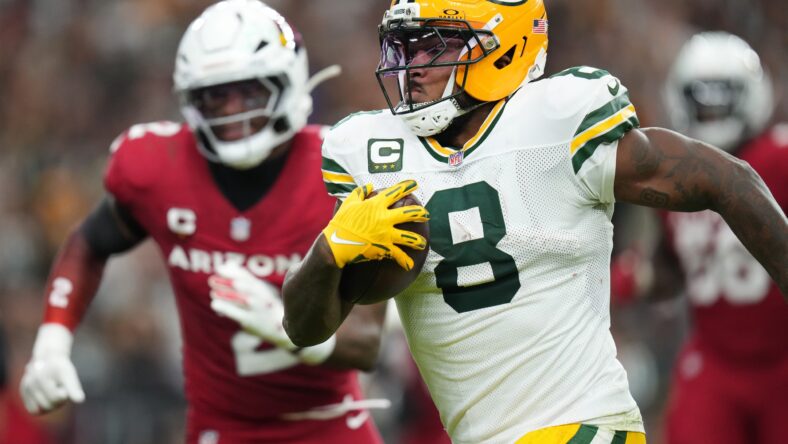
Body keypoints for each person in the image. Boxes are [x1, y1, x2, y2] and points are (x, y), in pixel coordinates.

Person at [280, 1, 788, 443]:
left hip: (583, 424)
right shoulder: (377, 155)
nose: (410, 67)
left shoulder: (556, 122)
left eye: (432, 47)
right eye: (403, 48)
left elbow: (729, 180)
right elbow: (304, 329)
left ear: (502, 49)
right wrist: (327, 252)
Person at [18, 1, 389, 443]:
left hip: (330, 425)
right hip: (219, 427)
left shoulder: (343, 172)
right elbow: (90, 242)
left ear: (287, 82)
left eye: (249, 92)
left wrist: (285, 326)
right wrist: (53, 340)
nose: (232, 112)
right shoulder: (159, 168)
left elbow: (366, 344)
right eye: (216, 96)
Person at [614, 31, 787, 444]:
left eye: (721, 98)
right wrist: (623, 279)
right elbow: (671, 267)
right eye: (702, 99)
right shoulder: (676, 172)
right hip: (715, 359)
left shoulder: (779, 158)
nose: (711, 111)